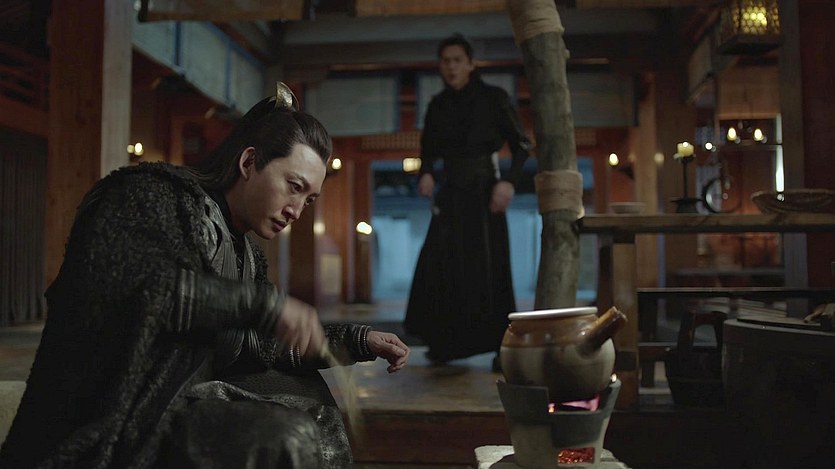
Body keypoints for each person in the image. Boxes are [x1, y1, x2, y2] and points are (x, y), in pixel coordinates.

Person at [0, 85, 410, 469]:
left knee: (311, 403)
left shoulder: (247, 254)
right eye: (293, 186)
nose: (297, 210)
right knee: (284, 435)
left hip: (177, 405)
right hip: (115, 417)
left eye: (309, 198)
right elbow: (146, 289)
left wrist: (356, 340)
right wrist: (263, 306)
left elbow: (264, 346)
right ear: (248, 163)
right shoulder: (148, 196)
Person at [403, 34, 531, 370]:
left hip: (485, 191)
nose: (451, 67)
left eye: (457, 60)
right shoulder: (437, 105)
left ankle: (501, 345)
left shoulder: (494, 98)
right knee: (442, 266)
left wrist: (508, 183)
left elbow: (522, 145)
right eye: (446, 61)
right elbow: (428, 149)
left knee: (489, 268)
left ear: (471, 63)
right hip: (450, 194)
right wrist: (426, 173)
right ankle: (446, 344)